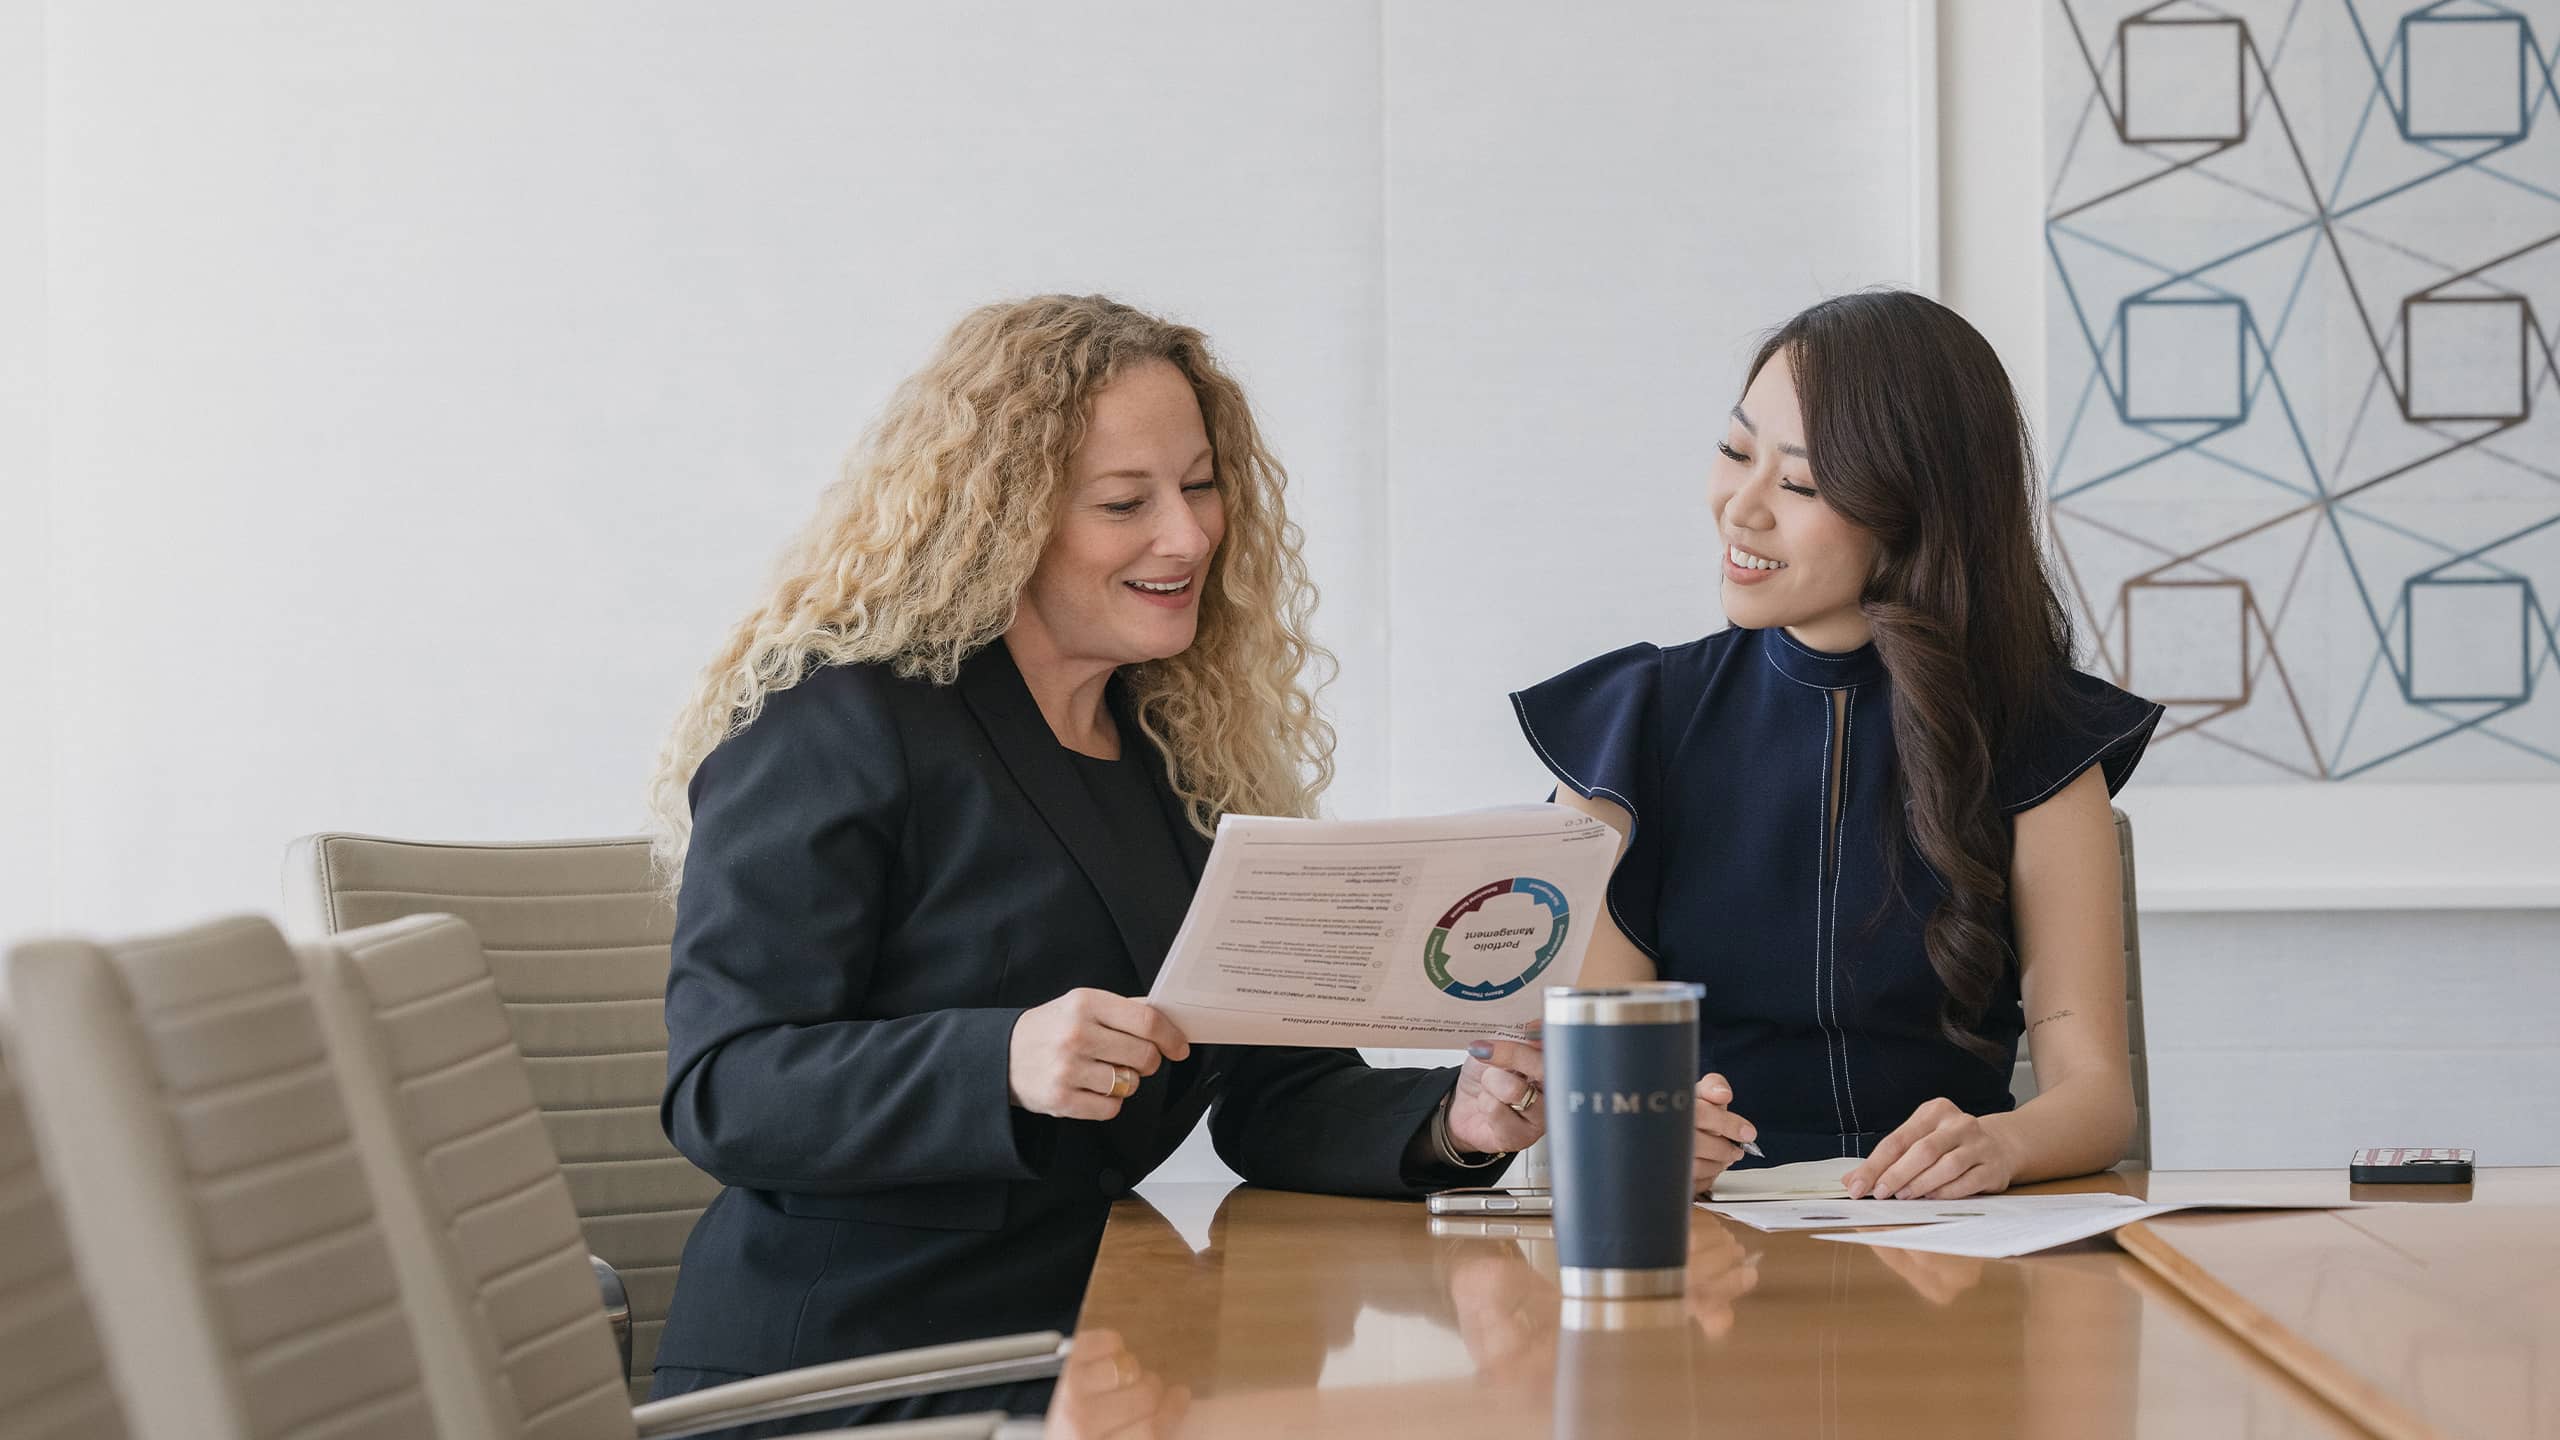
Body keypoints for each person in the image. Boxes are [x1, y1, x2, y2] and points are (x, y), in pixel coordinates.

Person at [643, 294, 1545, 1426]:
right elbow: (723, 1088)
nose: (1189, 536)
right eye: (1126, 503)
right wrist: (1002, 1061)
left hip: (1098, 1339)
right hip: (854, 1359)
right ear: (1002, 519)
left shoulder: (1176, 747)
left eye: (1200, 485)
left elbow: (1279, 1091)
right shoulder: (838, 724)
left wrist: (1457, 1121)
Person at [1510, 290, 2162, 1202]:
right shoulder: (1629, 728)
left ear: (1917, 512)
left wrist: (2002, 1146)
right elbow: (1587, 1080)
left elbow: (2096, 1099)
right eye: (1737, 452)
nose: (1741, 507)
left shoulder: (2039, 741)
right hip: (1704, 1256)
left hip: (1948, 1251)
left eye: (1802, 484)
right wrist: (1645, 1128)